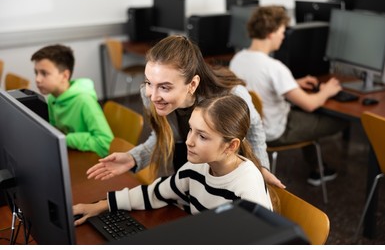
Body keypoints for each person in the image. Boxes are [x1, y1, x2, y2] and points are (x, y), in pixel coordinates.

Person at [86, 35, 285, 189]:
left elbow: (255, 129)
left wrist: (261, 168)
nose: (152, 96)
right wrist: (134, 158)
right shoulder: (149, 96)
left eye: (165, 87)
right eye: (148, 82)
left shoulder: (231, 96)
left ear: (192, 84)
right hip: (191, 155)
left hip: (227, 163)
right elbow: (163, 136)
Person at [73, 95, 273, 225]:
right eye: (191, 130)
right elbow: (156, 193)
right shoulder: (196, 168)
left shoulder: (248, 189)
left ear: (231, 146)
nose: (188, 141)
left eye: (202, 136)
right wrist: (101, 205)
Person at [229, 5, 347, 186]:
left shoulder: (237, 60)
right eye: (282, 31)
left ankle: (318, 168)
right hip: (276, 130)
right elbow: (309, 104)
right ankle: (318, 170)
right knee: (337, 120)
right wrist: (327, 91)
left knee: (302, 113)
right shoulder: (274, 67)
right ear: (271, 32)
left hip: (248, 130)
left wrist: (293, 83)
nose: (283, 36)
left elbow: (259, 85)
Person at [31, 44, 113, 157]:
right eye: (36, 73)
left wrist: (67, 139)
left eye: (44, 73)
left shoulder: (84, 101)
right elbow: (55, 129)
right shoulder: (52, 98)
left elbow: (105, 143)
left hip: (91, 160)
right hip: (72, 153)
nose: (37, 79)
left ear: (65, 76)